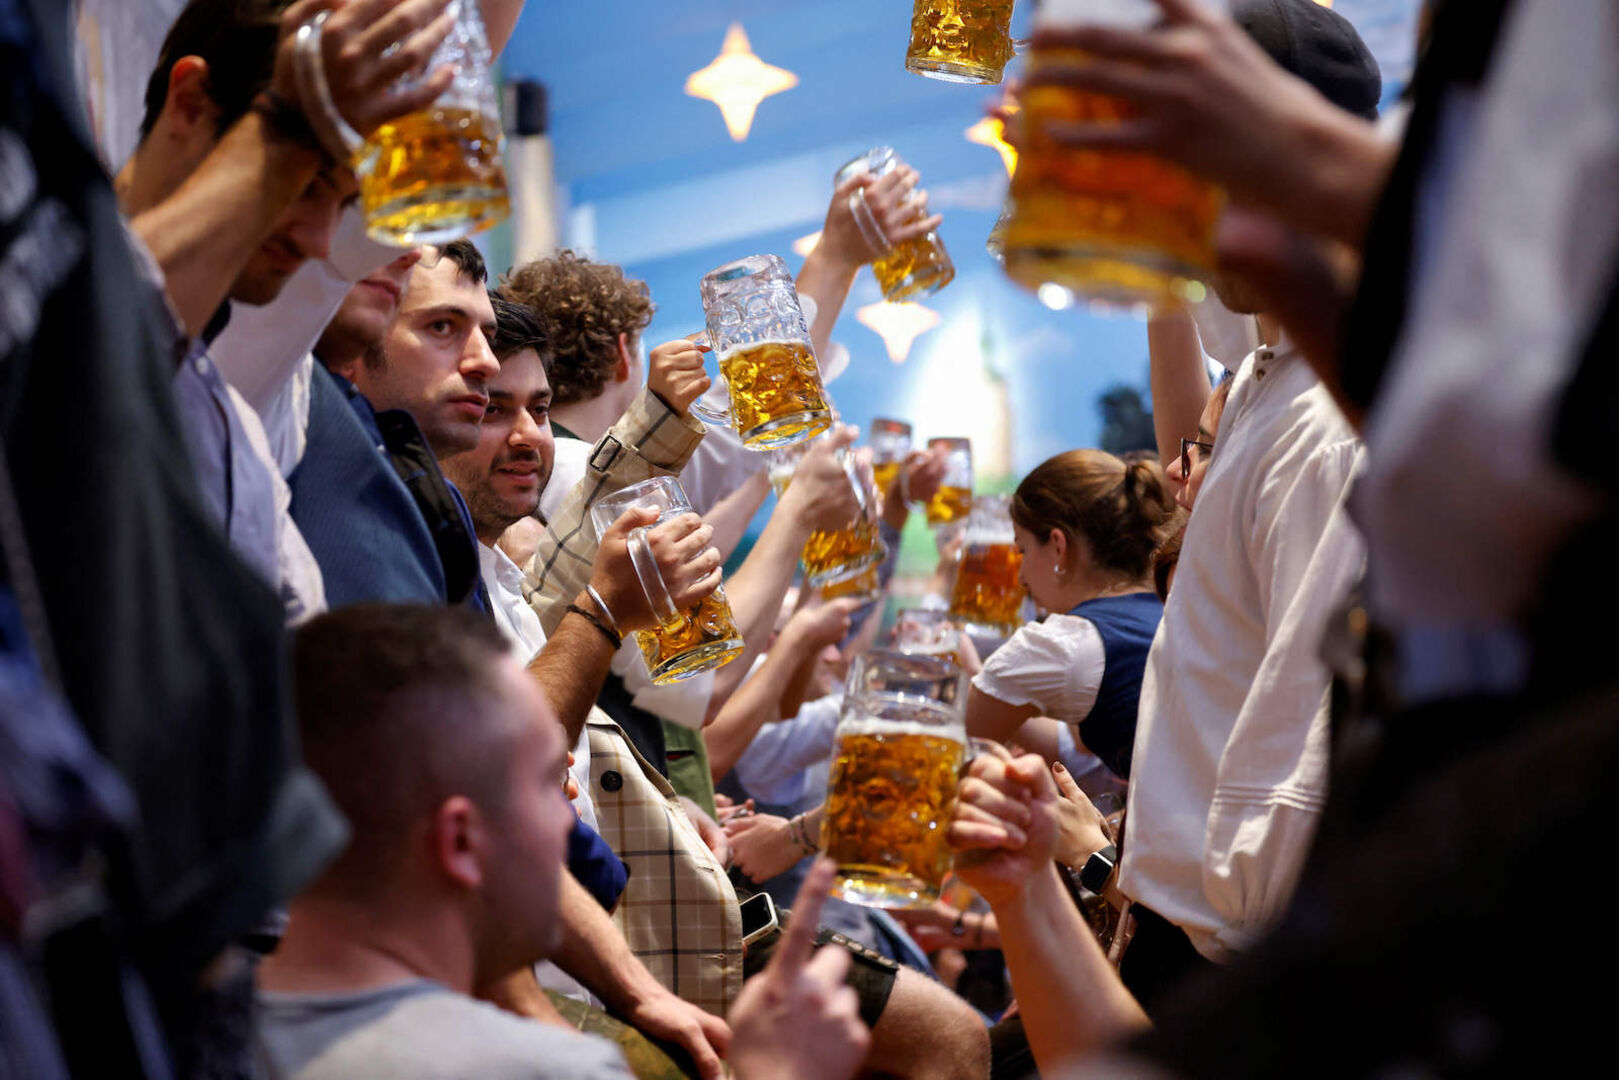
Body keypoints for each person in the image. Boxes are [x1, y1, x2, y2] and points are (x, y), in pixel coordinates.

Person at [261, 605, 870, 1080]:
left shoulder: (184, 1026)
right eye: (548, 782)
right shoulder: (539, 1071)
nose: (570, 813)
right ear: (461, 840)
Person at [966, 451, 1176, 781]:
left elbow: (945, 754)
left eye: (1022, 550)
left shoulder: (1060, 642)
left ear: (1058, 547)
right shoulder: (1172, 609)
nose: (1020, 577)